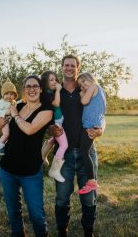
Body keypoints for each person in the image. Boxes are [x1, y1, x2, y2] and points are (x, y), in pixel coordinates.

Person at [48, 55, 104, 236]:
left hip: (87, 151)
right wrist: (51, 130)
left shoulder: (86, 89)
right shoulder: (54, 92)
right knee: (62, 197)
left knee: (89, 198)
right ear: (62, 67)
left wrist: (101, 129)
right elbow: (48, 120)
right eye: (66, 65)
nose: (69, 68)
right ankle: (62, 231)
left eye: (73, 65)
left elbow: (101, 115)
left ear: (78, 68)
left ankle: (89, 231)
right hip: (63, 153)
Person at [0, 75, 53, 237]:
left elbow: (29, 130)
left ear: (41, 89)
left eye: (35, 86)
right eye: (28, 86)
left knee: (37, 215)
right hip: (7, 168)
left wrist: (15, 115)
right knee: (13, 212)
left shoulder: (46, 110)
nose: (32, 89)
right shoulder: (17, 105)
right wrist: (1, 118)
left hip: (31, 171)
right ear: (23, 90)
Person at [76, 72, 106, 195]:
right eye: (80, 85)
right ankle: (91, 181)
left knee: (84, 152)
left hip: (90, 125)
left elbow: (84, 101)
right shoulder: (99, 91)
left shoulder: (94, 86)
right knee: (85, 152)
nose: (82, 85)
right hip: (93, 124)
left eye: (83, 81)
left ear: (90, 79)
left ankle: (92, 182)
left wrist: (80, 93)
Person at [40, 71, 68, 182]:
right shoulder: (47, 94)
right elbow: (56, 104)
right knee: (64, 145)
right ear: (45, 83)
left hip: (58, 121)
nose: (54, 82)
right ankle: (54, 170)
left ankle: (42, 156)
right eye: (51, 80)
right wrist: (58, 90)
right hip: (56, 123)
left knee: (52, 140)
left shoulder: (49, 92)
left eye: (55, 79)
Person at [0, 80, 20, 156]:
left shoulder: (13, 102)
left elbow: (17, 104)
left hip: (10, 121)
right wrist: (5, 112)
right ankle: (0, 144)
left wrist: (22, 100)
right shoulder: (2, 102)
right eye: (6, 94)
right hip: (4, 120)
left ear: (15, 96)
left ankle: (5, 143)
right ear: (3, 95)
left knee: (9, 134)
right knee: (6, 134)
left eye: (11, 94)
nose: (9, 96)